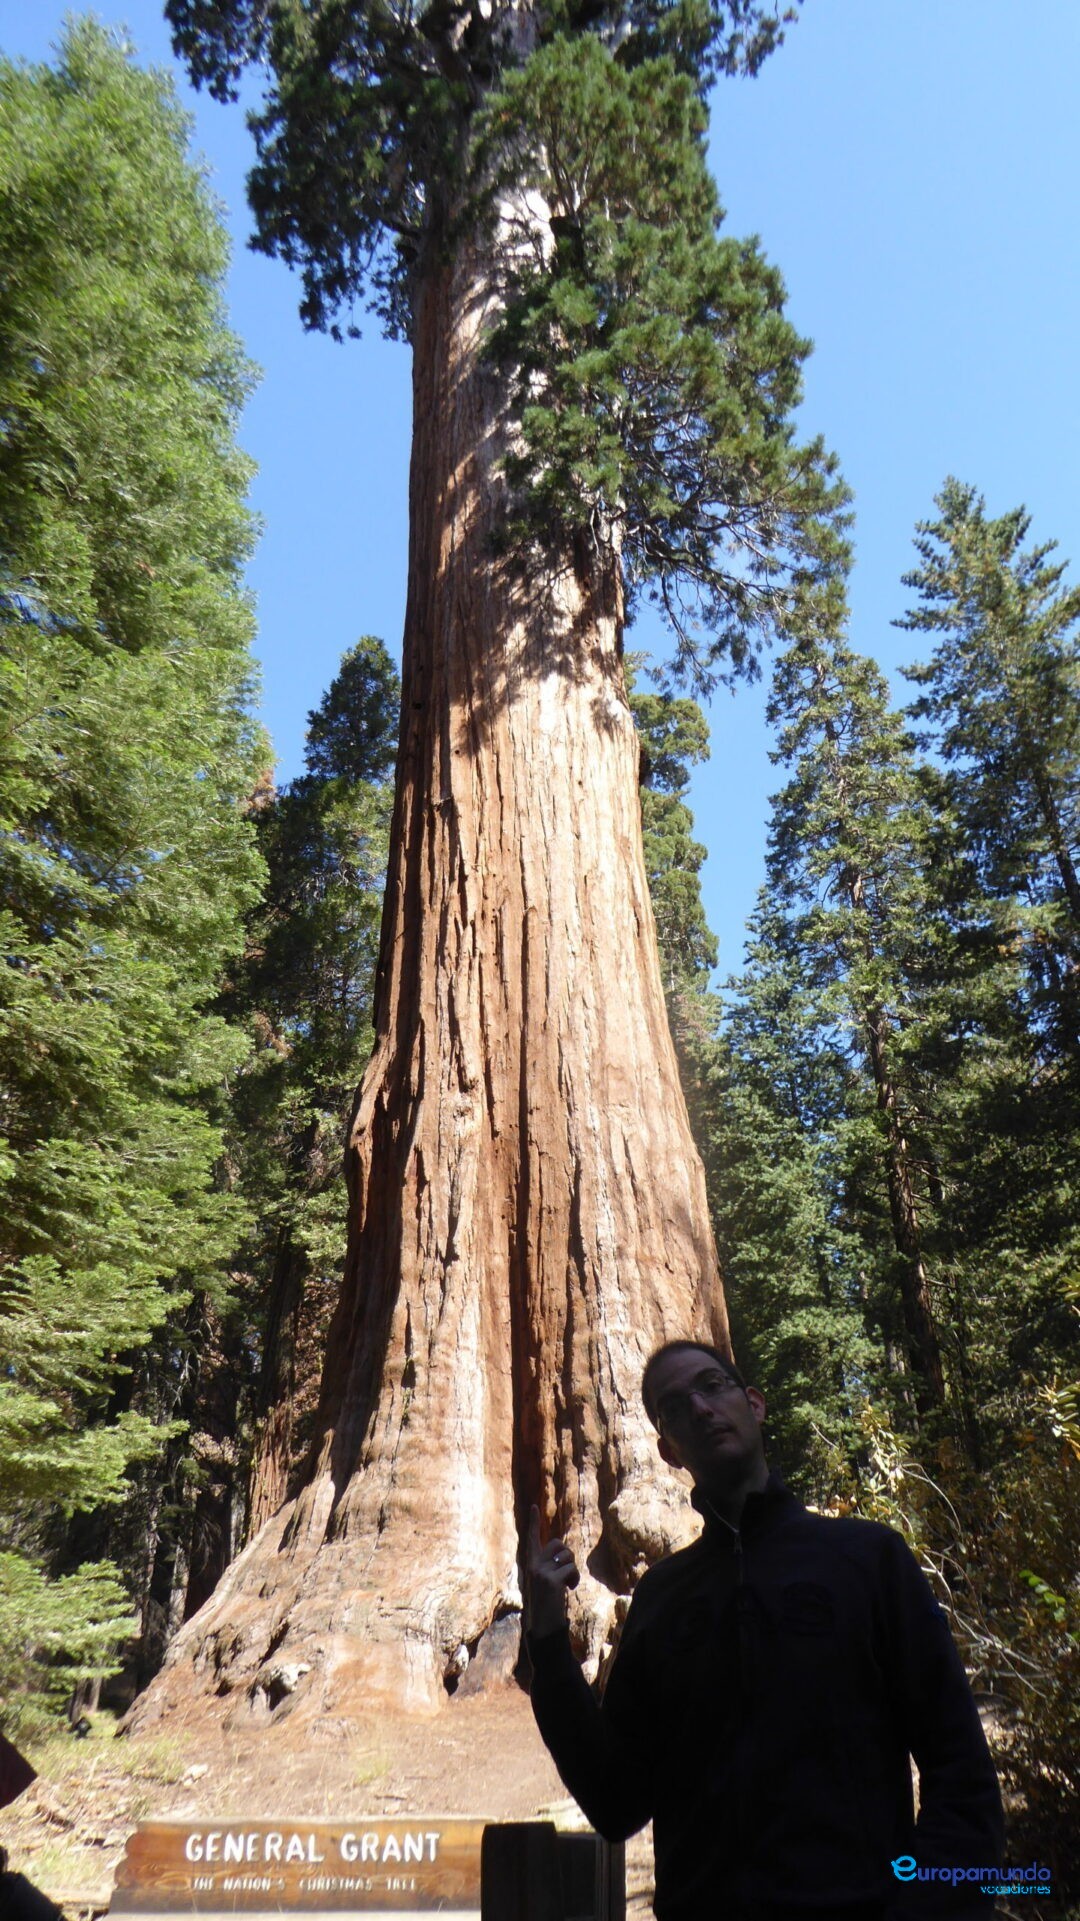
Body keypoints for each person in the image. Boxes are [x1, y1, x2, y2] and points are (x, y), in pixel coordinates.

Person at [526, 1340, 1004, 1921]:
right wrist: (548, 1639)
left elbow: (962, 1773)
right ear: (667, 1450)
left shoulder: (869, 1560)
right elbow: (616, 1802)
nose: (699, 1407)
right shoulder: (662, 1599)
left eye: (712, 1385)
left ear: (754, 1404)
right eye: (673, 1407)